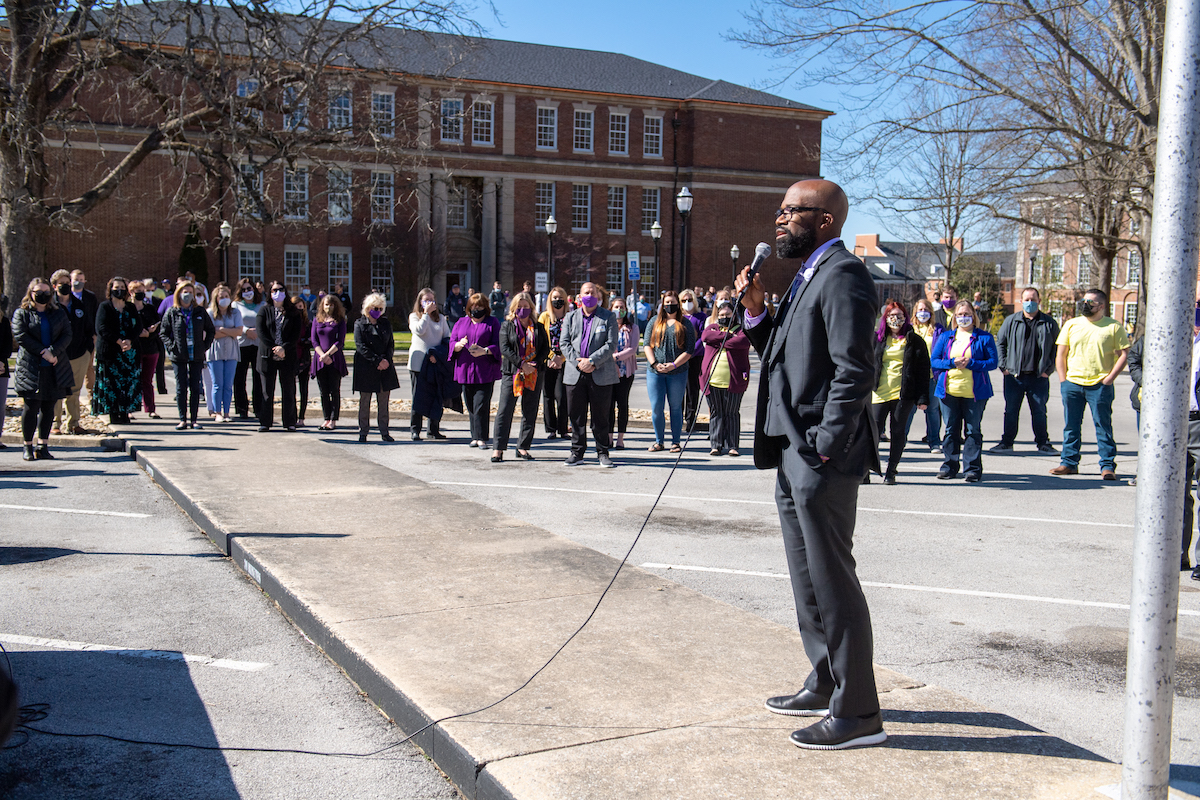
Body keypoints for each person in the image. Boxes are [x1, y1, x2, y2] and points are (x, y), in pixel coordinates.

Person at [735, 179, 885, 750]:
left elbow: (856, 369)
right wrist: (755, 313)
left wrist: (825, 443)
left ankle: (858, 711)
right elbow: (784, 357)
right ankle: (825, 679)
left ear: (824, 220)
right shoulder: (807, 275)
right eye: (779, 210)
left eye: (791, 211)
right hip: (790, 449)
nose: (779, 220)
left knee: (832, 579)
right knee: (807, 577)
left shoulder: (843, 274)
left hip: (819, 456)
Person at [1051, 288, 1129, 479]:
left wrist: (1109, 378)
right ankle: (1068, 463)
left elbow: (1124, 354)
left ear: (1101, 306)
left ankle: (1107, 466)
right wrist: (1063, 379)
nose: (1085, 305)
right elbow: (1061, 354)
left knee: (1103, 426)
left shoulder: (1113, 327)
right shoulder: (1071, 324)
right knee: (1071, 426)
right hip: (1072, 384)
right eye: (1084, 301)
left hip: (1100, 386)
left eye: (1090, 302)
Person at [930, 300, 998, 482]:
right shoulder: (946, 337)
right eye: (960, 314)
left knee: (972, 431)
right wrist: (951, 363)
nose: (963, 317)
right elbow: (934, 360)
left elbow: (993, 362)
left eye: (967, 314)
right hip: (949, 391)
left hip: (975, 393)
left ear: (973, 316)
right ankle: (949, 466)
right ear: (954, 317)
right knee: (951, 430)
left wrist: (972, 363)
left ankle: (972, 469)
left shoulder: (984, 337)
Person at [991, 287, 1060, 454]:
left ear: (1039, 301)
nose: (1030, 302)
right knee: (1011, 411)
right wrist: (1004, 366)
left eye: (1033, 299)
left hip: (1039, 377)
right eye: (1027, 299)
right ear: (1021, 301)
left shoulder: (1049, 323)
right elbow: (1000, 343)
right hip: (1014, 376)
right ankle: (1007, 443)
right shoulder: (1011, 321)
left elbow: (1057, 349)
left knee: (1039, 411)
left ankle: (1043, 443)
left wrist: (1048, 370)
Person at [12, 278, 74, 460]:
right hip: (31, 367)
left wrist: (53, 352)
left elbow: (67, 334)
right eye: (39, 292)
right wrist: (43, 352)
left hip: (54, 367)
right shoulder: (22, 313)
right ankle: (27, 446)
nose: (43, 296)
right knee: (31, 407)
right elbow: (21, 336)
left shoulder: (58, 313)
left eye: (46, 292)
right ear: (30, 293)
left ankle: (43, 445)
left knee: (49, 407)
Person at [870, 300, 930, 484]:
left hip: (903, 394)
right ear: (885, 318)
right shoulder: (877, 338)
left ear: (906, 317)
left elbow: (923, 371)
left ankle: (891, 470)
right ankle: (867, 468)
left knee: (897, 432)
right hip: (878, 393)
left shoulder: (914, 341)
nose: (895, 319)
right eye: (891, 316)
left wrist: (922, 397)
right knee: (872, 432)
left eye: (899, 315)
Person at [561, 281, 618, 467]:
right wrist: (579, 363)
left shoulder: (608, 317)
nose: (590, 296)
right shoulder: (570, 317)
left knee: (601, 416)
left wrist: (592, 361)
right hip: (575, 373)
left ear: (598, 297)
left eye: (593, 293)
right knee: (576, 416)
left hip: (600, 373)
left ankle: (603, 452)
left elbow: (611, 344)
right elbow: (564, 343)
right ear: (579, 297)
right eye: (586, 292)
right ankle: (577, 452)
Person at [492, 293, 549, 462]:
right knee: (505, 410)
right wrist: (521, 364)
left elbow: (545, 349)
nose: (523, 310)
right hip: (513, 372)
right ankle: (498, 449)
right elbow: (505, 348)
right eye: (519, 307)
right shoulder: (507, 326)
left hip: (534, 373)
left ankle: (523, 446)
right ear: (513, 308)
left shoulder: (538, 327)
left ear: (531, 308)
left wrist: (535, 364)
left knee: (530, 410)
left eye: (526, 306)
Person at [643, 290, 694, 453]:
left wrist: (673, 365)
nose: (670, 305)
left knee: (676, 407)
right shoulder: (654, 322)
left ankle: (676, 442)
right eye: (667, 303)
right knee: (657, 407)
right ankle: (659, 441)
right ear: (662, 305)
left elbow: (689, 350)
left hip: (678, 372)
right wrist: (655, 363)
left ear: (678, 304)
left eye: (673, 303)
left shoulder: (686, 324)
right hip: (655, 372)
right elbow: (646, 345)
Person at [159, 281, 215, 430]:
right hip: (179, 355)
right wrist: (172, 347)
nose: (188, 295)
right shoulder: (172, 311)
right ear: (178, 294)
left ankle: (194, 419)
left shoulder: (200, 311)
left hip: (196, 355)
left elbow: (211, 330)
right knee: (181, 388)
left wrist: (204, 346)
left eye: (190, 292)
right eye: (185, 292)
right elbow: (163, 332)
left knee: (195, 388)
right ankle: (182, 419)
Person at [450, 292, 502, 448]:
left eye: (479, 307)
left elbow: (498, 345)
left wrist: (485, 351)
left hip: (484, 371)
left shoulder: (492, 323)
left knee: (481, 404)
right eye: (473, 307)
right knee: (471, 405)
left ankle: (482, 438)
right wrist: (457, 345)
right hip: (465, 369)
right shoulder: (461, 322)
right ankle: (475, 436)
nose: (476, 310)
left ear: (485, 308)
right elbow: (452, 341)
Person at [700, 298, 751, 457]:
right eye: (721, 315)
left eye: (728, 314)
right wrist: (727, 336)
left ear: (734, 315)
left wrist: (719, 340)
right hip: (712, 380)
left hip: (734, 381)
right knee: (716, 412)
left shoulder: (741, 330)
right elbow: (706, 336)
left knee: (731, 413)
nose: (724, 317)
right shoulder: (712, 327)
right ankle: (716, 445)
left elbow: (742, 342)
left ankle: (732, 445)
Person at [92, 276, 143, 424]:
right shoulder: (105, 307)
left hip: (129, 352)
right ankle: (113, 413)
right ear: (110, 289)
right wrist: (118, 341)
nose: (119, 290)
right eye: (116, 288)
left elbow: (138, 326)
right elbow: (101, 328)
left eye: (122, 288)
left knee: (128, 383)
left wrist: (129, 340)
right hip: (110, 352)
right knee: (112, 384)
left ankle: (125, 412)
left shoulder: (130, 307)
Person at [51, 269, 94, 435]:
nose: (66, 286)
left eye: (67, 283)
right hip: (57, 354)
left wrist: (88, 349)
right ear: (54, 286)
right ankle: (55, 423)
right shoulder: (51, 306)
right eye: (61, 283)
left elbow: (88, 328)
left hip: (79, 353)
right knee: (56, 389)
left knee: (74, 391)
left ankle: (73, 423)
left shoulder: (79, 305)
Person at [352, 293, 399, 442]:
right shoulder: (359, 324)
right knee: (365, 401)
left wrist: (386, 360)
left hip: (384, 368)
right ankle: (363, 431)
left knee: (383, 402)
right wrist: (376, 360)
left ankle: (384, 431)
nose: (377, 311)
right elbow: (360, 346)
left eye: (380, 308)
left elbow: (390, 344)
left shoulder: (385, 323)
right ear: (367, 308)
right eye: (374, 308)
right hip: (366, 367)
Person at [256, 281, 302, 432]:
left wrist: (284, 348)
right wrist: (274, 348)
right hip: (268, 355)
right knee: (267, 392)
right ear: (270, 293)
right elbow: (261, 332)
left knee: (288, 390)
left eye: (281, 290)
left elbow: (296, 334)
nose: (278, 293)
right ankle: (265, 422)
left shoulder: (293, 312)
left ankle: (289, 422)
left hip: (287, 355)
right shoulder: (264, 310)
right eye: (274, 290)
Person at [407, 288, 450, 440]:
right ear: (420, 302)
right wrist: (426, 314)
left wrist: (438, 354)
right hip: (418, 364)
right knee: (418, 396)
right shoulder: (414, 317)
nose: (430, 303)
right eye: (426, 300)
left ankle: (433, 430)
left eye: (432, 300)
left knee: (435, 397)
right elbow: (419, 330)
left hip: (434, 362)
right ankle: (415, 429)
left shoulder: (441, 319)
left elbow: (447, 338)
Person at [906, 298, 943, 451]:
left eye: (926, 310)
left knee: (932, 410)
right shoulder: (909, 328)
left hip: (931, 376)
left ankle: (934, 441)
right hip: (912, 376)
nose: (923, 313)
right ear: (915, 312)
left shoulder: (937, 330)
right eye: (920, 310)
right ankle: (901, 440)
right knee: (909, 409)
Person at [311, 293, 348, 431]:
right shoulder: (317, 320)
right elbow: (314, 340)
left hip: (334, 359)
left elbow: (340, 341)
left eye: (331, 305)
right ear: (322, 305)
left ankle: (333, 419)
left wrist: (328, 355)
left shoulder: (340, 321)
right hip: (320, 359)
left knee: (334, 390)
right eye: (326, 304)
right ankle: (326, 418)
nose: (329, 307)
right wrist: (322, 355)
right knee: (323, 391)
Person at [206, 284, 243, 423]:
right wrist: (229, 331)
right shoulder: (210, 313)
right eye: (221, 297)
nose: (224, 299)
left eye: (226, 296)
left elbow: (239, 331)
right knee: (218, 384)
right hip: (215, 351)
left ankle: (227, 412)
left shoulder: (235, 313)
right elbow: (211, 333)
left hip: (231, 351)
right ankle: (218, 412)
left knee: (228, 385)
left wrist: (221, 329)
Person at [538, 286, 570, 439]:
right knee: (548, 395)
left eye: (560, 298)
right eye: (555, 298)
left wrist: (561, 358)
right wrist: (551, 357)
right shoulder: (544, 317)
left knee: (562, 396)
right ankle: (551, 429)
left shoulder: (570, 316)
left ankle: (563, 429)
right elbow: (540, 340)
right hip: (547, 361)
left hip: (565, 361)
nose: (558, 300)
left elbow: (573, 339)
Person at [609, 297, 640, 451]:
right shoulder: (607, 325)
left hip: (625, 372)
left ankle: (620, 438)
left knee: (622, 404)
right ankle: (609, 437)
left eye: (622, 307)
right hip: (609, 372)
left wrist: (615, 357)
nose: (619, 310)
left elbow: (632, 349)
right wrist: (611, 361)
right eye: (616, 307)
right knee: (609, 405)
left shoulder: (633, 328)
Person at [128, 280, 162, 419]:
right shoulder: (128, 309)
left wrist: (150, 333)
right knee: (132, 379)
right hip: (134, 348)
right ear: (131, 292)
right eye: (138, 291)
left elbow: (158, 326)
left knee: (147, 380)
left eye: (143, 291)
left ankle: (150, 408)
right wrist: (137, 333)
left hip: (150, 348)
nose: (141, 294)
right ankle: (130, 409)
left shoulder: (150, 308)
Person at [233, 279, 265, 420]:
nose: (247, 292)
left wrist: (257, 331)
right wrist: (246, 331)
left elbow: (265, 322)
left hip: (258, 345)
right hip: (242, 344)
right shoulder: (235, 305)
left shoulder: (261, 305)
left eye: (249, 288)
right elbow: (234, 322)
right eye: (244, 289)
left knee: (258, 378)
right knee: (240, 378)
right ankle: (242, 408)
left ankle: (258, 408)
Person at [679, 288, 706, 432]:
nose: (687, 302)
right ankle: (678, 418)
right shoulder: (678, 317)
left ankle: (690, 419)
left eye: (689, 300)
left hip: (695, 357)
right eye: (684, 300)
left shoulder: (700, 317)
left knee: (692, 389)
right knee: (678, 389)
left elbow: (703, 336)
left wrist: (691, 351)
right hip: (679, 358)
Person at [292, 294, 312, 426]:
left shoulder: (307, 323)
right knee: (291, 389)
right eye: (296, 307)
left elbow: (311, 339)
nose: (299, 310)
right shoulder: (289, 322)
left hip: (304, 358)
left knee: (304, 390)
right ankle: (292, 416)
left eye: (301, 307)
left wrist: (306, 341)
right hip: (292, 357)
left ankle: (301, 417)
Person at [0, 295, 11, 447]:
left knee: (0, 406)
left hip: (1, 368)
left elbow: (8, 345)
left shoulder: (3, 321)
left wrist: (1, 361)